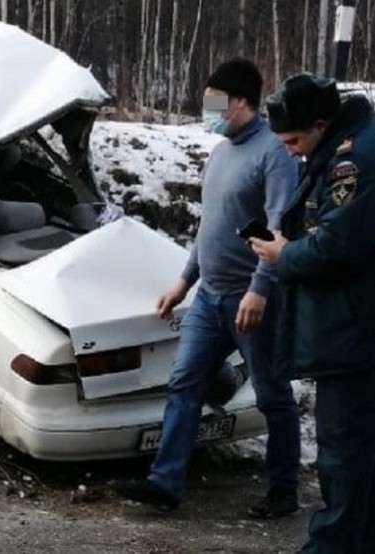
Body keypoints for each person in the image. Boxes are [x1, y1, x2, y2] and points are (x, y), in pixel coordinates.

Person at [111, 58, 302, 518]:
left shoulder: (273, 153)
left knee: (273, 392)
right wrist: (183, 282)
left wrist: (260, 288)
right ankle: (165, 482)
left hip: (251, 299)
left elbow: (280, 230)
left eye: (214, 100)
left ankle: (283, 490)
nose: (207, 109)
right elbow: (209, 227)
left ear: (239, 102)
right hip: (209, 297)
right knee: (184, 382)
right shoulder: (219, 153)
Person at [251, 74, 375, 553]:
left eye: (294, 140)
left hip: (352, 337)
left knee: (343, 459)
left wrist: (285, 255)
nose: (289, 151)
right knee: (358, 459)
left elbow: (337, 243)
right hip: (352, 331)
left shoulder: (354, 162)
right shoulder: (345, 147)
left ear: (321, 125)